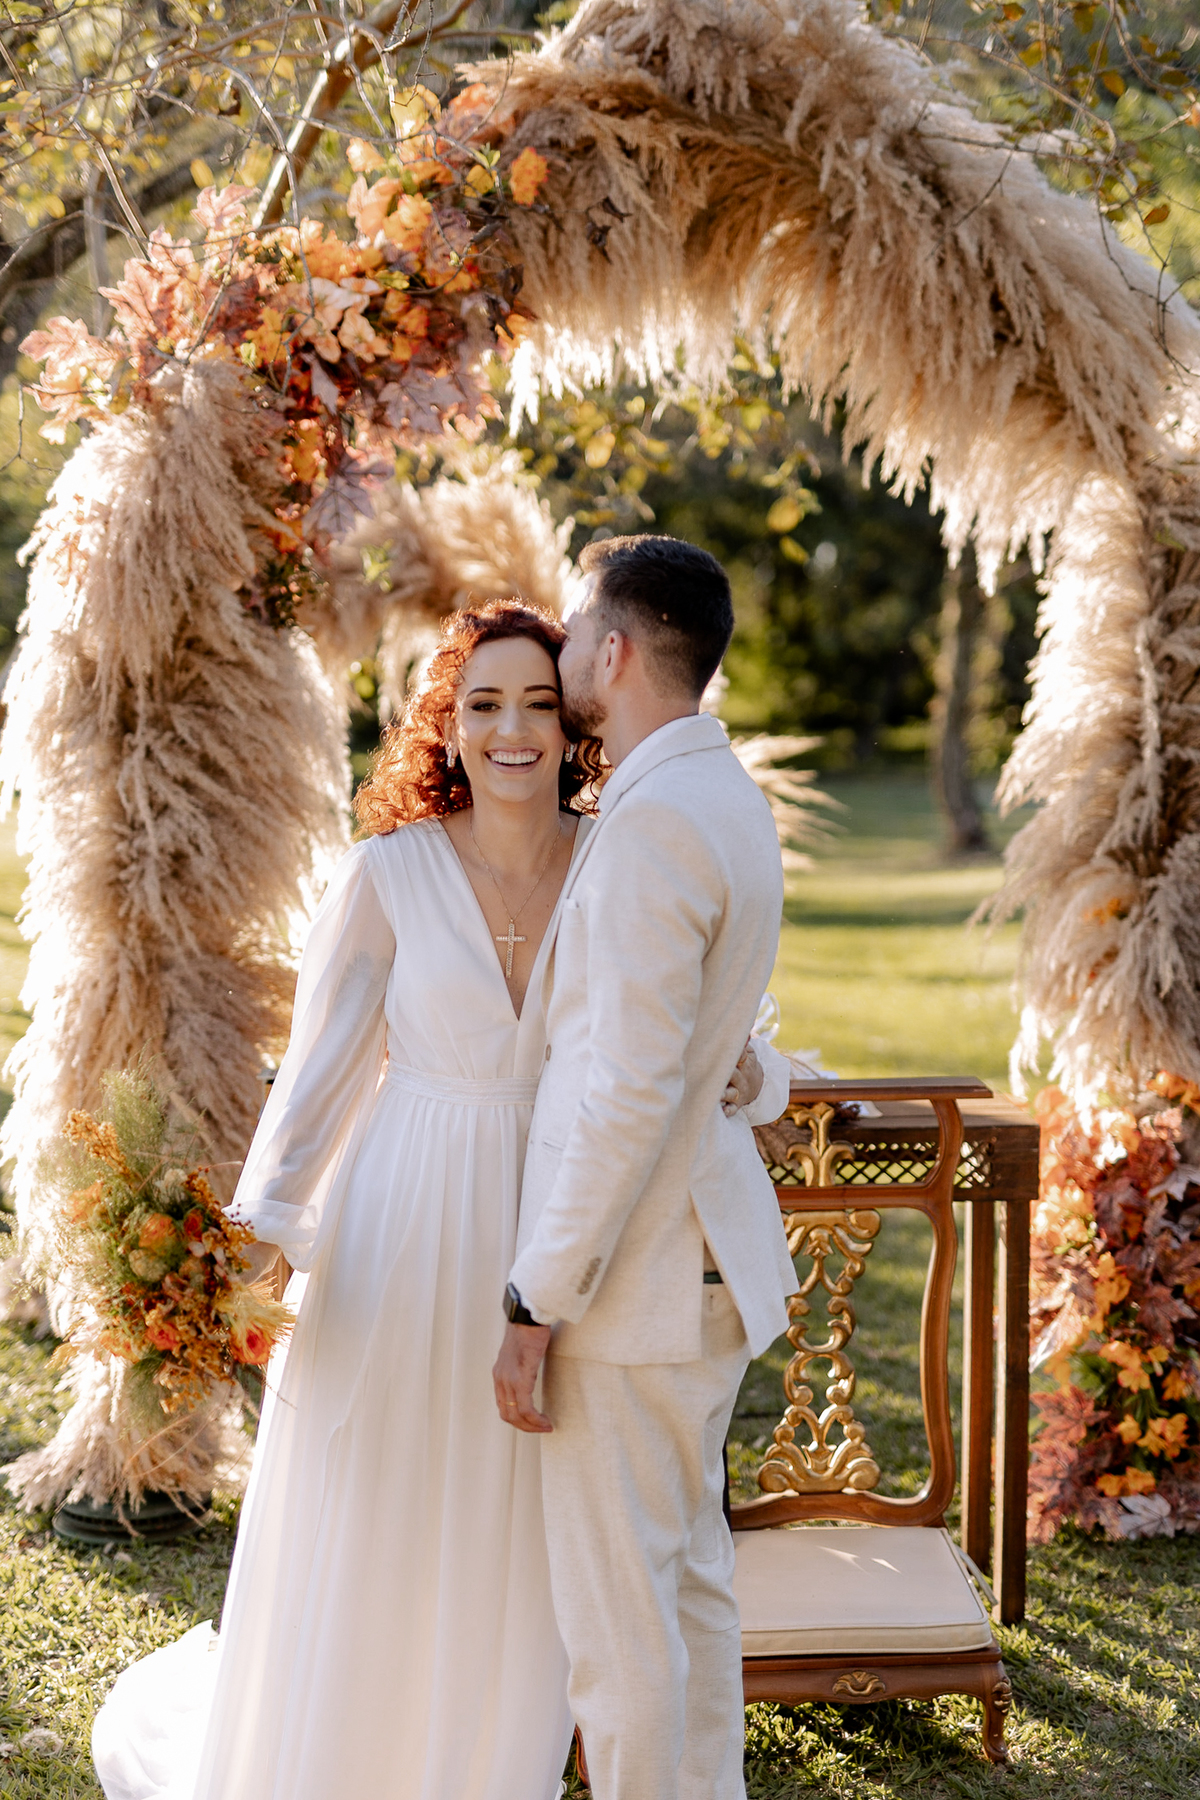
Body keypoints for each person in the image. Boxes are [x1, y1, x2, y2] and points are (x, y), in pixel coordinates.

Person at [91, 597, 788, 1800]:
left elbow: (727, 1024)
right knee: (384, 1505)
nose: (511, 728)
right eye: (482, 704)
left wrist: (752, 1069)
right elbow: (316, 1079)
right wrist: (254, 1246)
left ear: (573, 720)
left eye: (535, 701)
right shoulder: (388, 873)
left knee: (519, 1543)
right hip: (408, 1222)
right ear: (446, 725)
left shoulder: (619, 841)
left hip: (562, 1234)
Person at [493, 539, 797, 1800]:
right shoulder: (723, 797)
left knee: (622, 1638)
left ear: (613, 653)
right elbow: (714, 1041)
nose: (564, 652)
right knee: (688, 1593)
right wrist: (755, 1077)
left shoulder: (656, 821)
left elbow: (622, 1093)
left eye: (573, 632)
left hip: (637, 1288)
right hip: (705, 1270)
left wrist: (536, 1299)